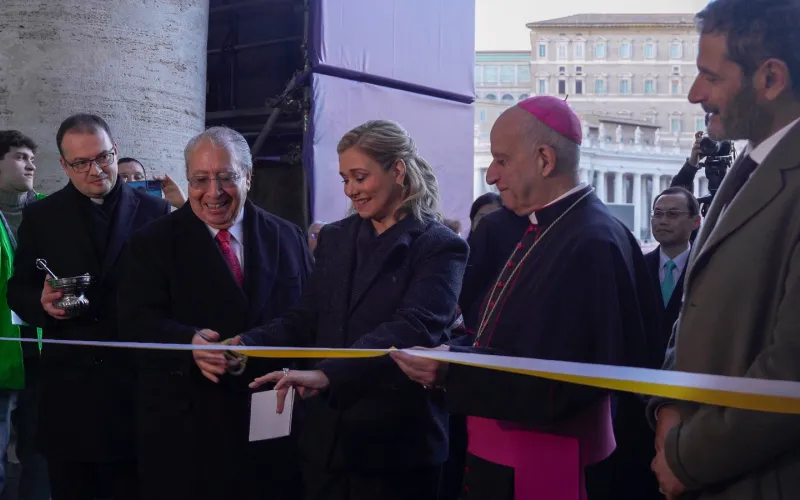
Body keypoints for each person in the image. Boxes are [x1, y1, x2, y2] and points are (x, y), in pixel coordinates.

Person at [391, 96, 661, 500]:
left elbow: (567, 376)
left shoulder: (591, 241)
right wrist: (456, 353)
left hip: (547, 456)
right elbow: (516, 339)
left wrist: (452, 372)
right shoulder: (552, 226)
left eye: (501, 160)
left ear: (545, 160)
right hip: (507, 453)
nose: (491, 175)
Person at [193, 119, 469, 500]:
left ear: (397, 170)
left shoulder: (440, 246)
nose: (351, 190)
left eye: (360, 177)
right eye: (345, 179)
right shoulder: (336, 237)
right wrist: (246, 343)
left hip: (396, 447)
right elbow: (307, 317)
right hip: (327, 445)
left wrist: (327, 375)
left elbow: (412, 327)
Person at [647, 1, 800, 498]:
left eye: (709, 77)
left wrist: (687, 457)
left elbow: (789, 370)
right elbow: (694, 311)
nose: (695, 94)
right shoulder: (749, 165)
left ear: (770, 78)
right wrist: (669, 406)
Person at [117, 127, 311, 500]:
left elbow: (307, 315)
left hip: (271, 426)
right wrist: (188, 343)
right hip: (189, 429)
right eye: (200, 180)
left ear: (248, 176)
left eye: (226, 177)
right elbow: (134, 322)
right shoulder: (151, 243)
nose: (213, 191)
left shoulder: (288, 237)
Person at [7, 113, 171, 500]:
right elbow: (18, 290)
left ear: (115, 151)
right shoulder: (42, 216)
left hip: (136, 390)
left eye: (103, 157)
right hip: (71, 394)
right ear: (64, 165)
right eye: (81, 162)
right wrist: (41, 304)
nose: (95, 170)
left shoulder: (155, 213)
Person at [0, 130, 49, 500]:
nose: (31, 165)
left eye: (32, 158)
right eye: (20, 157)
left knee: (42, 453)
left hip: (44, 350)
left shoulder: (51, 212)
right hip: (1, 351)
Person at [118, 156, 187, 209]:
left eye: (138, 177)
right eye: (123, 177)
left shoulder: (158, 210)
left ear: (145, 179)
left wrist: (183, 205)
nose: (132, 181)